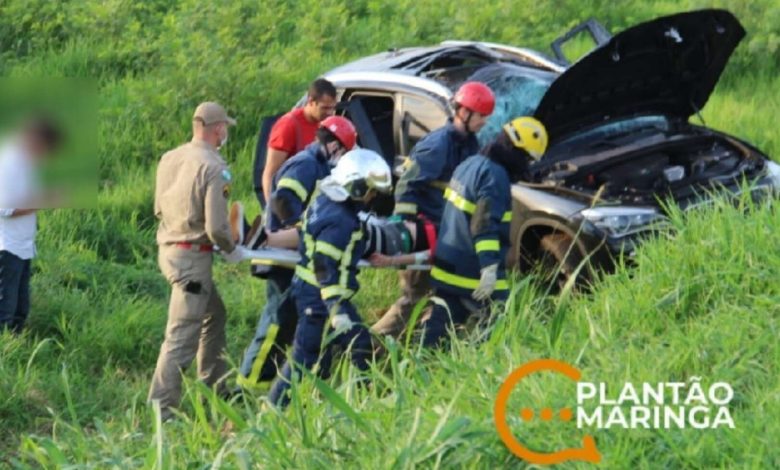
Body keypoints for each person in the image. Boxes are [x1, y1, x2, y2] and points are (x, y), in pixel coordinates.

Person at [237, 116, 357, 387]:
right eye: (345, 152)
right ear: (335, 146)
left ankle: (298, 380)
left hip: (298, 256)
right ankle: (247, 385)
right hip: (284, 257)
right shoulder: (307, 165)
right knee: (276, 324)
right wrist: (305, 227)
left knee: (296, 322)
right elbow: (282, 201)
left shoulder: (318, 164)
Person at [267, 148, 392, 407]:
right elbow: (325, 266)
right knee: (309, 355)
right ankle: (275, 409)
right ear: (357, 188)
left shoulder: (325, 201)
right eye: (370, 191)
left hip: (312, 292)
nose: (372, 198)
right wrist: (336, 309)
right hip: (321, 297)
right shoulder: (341, 221)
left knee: (335, 350)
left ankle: (345, 401)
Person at [371, 81, 495, 339]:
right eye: (482, 116)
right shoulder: (438, 146)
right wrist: (407, 225)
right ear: (464, 112)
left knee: (440, 296)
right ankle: (366, 346)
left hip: (445, 234)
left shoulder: (470, 145)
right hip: (423, 231)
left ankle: (421, 345)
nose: (484, 122)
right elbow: (407, 184)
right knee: (413, 299)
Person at [148, 101, 249, 419]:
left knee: (215, 315)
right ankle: (161, 409)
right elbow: (217, 226)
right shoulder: (215, 168)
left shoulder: (169, 158)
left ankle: (215, 387)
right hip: (193, 261)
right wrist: (232, 248)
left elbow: (158, 209)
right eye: (225, 129)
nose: (225, 135)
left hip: (169, 250)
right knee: (181, 335)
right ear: (218, 128)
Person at [420, 116, 548, 347]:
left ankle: (415, 364)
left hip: (447, 263)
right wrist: (489, 269)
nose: (526, 165)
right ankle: (484, 369)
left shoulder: (470, 164)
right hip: (473, 270)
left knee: (441, 323)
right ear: (517, 151)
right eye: (527, 158)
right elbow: (484, 225)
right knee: (500, 322)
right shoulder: (495, 176)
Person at [0, 117, 62, 334]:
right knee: (5, 310)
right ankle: (5, 356)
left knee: (20, 308)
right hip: (7, 247)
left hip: (23, 245)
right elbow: (4, 209)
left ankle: (14, 351)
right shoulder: (8, 163)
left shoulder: (27, 163)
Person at [260, 78, 337, 206]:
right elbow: (270, 173)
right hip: (291, 201)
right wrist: (273, 209)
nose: (329, 113)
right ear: (311, 101)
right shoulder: (288, 125)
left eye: (332, 108)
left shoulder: (325, 123)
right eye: (324, 108)